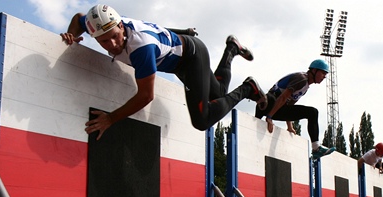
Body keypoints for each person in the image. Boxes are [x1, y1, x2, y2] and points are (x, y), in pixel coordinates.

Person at [61, 4, 267, 140]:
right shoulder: (98, 24)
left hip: (191, 56)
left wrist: (111, 118)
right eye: (104, 41)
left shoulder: (140, 48)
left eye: (115, 36)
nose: (113, 44)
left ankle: (247, 88)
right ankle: (232, 48)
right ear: (94, 34)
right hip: (176, 50)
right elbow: (79, 18)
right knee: (219, 93)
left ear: (121, 26)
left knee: (202, 120)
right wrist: (71, 34)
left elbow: (146, 96)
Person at [255, 59, 335, 159]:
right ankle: (316, 148)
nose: (324, 77)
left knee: (312, 113)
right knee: (312, 112)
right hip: (268, 105)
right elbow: (282, 98)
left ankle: (316, 149)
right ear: (314, 71)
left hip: (277, 108)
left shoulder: (305, 87)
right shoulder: (301, 79)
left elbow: (290, 104)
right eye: (323, 73)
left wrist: (289, 126)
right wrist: (269, 117)